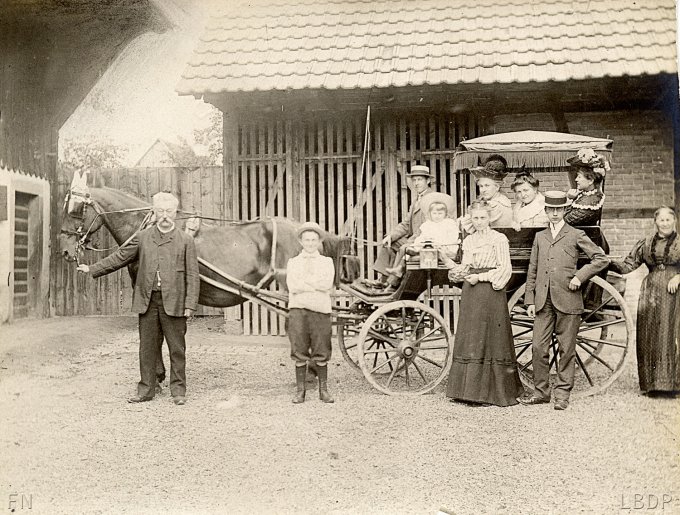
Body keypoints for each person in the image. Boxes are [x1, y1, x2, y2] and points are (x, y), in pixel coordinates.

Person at [77, 192, 200, 405]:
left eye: (169, 211)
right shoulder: (143, 237)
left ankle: (178, 391)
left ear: (175, 214)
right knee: (147, 347)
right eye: (160, 211)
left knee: (177, 348)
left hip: (175, 303)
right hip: (148, 302)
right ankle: (146, 390)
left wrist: (190, 305)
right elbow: (120, 257)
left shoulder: (186, 241)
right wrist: (92, 268)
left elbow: (192, 276)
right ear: (153, 212)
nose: (164, 216)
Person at [519, 191, 609, 410]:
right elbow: (533, 270)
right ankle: (541, 392)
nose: (555, 213)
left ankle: (562, 394)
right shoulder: (540, 237)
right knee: (538, 348)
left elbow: (601, 258)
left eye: (559, 209)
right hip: (543, 301)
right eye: (551, 209)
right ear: (546, 211)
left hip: (568, 299)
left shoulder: (575, 234)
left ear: (565, 211)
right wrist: (530, 300)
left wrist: (580, 276)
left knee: (566, 349)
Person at [445, 200, 523, 407]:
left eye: (483, 218)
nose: (479, 222)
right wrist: (455, 271)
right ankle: (466, 391)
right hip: (471, 292)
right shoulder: (469, 241)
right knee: (471, 336)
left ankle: (489, 393)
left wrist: (480, 278)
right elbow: (467, 265)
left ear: (489, 219)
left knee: (489, 336)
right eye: (475, 218)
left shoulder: (499, 239)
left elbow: (505, 269)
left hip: (490, 290)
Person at [609, 206, 680, 395]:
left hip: (675, 294)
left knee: (670, 332)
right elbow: (627, 265)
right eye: (661, 220)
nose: (665, 223)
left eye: (668, 220)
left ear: (674, 221)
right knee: (650, 334)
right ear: (655, 222)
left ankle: (673, 384)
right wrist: (604, 260)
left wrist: (678, 277)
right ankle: (652, 385)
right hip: (650, 293)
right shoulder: (646, 243)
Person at [286, 221, 336, 404]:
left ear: (318, 241)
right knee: (299, 348)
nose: (310, 243)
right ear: (301, 241)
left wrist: (305, 284)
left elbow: (326, 285)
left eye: (313, 240)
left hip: (320, 310)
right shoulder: (293, 263)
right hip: (298, 310)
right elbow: (293, 286)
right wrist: (313, 285)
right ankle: (301, 391)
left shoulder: (326, 262)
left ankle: (323, 390)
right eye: (306, 240)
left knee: (321, 348)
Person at [372, 164, 434, 288]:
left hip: (426, 240)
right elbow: (406, 224)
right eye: (414, 180)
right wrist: (391, 236)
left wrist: (411, 241)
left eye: (420, 179)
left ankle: (392, 283)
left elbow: (427, 228)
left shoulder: (432, 199)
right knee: (389, 244)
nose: (416, 183)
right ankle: (383, 281)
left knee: (404, 247)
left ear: (428, 180)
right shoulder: (417, 200)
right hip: (414, 239)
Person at [384, 193, 460, 280]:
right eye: (434, 213)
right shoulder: (428, 225)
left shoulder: (449, 224)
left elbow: (452, 238)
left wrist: (440, 244)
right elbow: (422, 237)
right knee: (411, 248)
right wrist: (417, 244)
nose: (437, 216)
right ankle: (400, 267)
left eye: (440, 213)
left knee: (421, 249)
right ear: (430, 214)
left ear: (445, 214)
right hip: (428, 247)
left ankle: (400, 268)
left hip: (444, 248)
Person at [460, 154, 513, 233]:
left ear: (497, 187)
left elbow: (472, 225)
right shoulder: (502, 200)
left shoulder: (495, 205)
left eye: (487, 186)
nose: (483, 190)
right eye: (481, 186)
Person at [564, 148, 609, 227]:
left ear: (590, 180)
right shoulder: (583, 195)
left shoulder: (592, 201)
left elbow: (565, 221)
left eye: (579, 177)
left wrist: (569, 200)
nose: (576, 179)